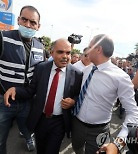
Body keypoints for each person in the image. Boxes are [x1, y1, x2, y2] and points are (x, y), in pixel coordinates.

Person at [4, 38, 83, 154]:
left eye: (68, 53)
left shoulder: (77, 74)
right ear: (51, 53)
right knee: (40, 150)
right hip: (40, 119)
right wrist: (15, 90)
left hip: (59, 122)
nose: (65, 56)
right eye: (60, 52)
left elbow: (78, 95)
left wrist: (73, 102)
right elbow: (30, 91)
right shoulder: (41, 68)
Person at [71, 34, 138, 154]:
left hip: (99, 131)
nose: (87, 49)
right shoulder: (87, 70)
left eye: (90, 46)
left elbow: (133, 113)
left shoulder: (120, 77)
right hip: (77, 125)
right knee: (77, 148)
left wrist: (119, 143)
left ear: (98, 49)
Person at [0, 5, 46, 153]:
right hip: (4, 102)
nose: (27, 25)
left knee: (26, 127)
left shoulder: (40, 46)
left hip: (27, 101)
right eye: (24, 20)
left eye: (32, 22)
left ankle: (28, 139)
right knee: (1, 138)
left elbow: (40, 74)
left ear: (38, 26)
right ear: (19, 20)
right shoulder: (3, 38)